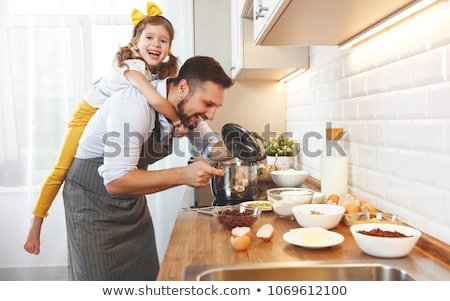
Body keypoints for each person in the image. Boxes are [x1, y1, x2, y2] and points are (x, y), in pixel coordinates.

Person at [24, 2, 185, 255]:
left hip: (102, 116)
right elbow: (155, 101)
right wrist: (178, 120)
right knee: (60, 169)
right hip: (86, 114)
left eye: (163, 40)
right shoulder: (134, 67)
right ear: (135, 41)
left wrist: (173, 128)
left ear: (169, 48)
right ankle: (36, 223)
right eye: (150, 37)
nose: (156, 44)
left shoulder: (153, 74)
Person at [63, 55, 234, 280]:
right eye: (208, 104)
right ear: (183, 87)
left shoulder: (184, 112)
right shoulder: (132, 106)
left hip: (131, 204)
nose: (211, 114)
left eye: (216, 107)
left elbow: (211, 148)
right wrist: (183, 175)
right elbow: (116, 181)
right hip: (93, 206)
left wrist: (243, 147)